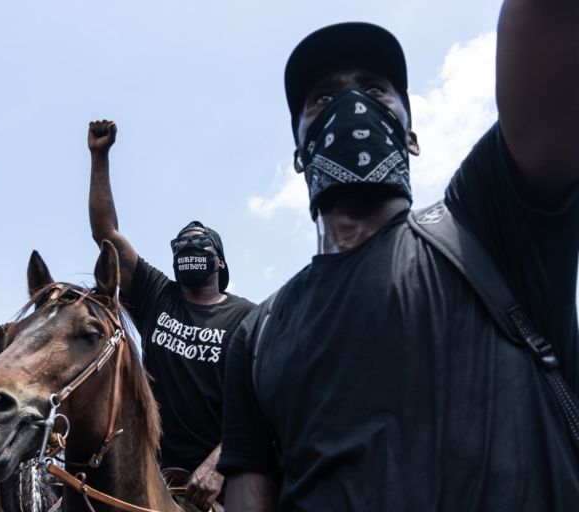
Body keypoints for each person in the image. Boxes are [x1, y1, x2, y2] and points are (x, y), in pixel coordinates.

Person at [218, 5, 579, 511]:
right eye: (323, 97)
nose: (351, 103)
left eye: (373, 90)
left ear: (410, 135)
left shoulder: (489, 223)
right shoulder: (256, 338)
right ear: (299, 153)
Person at [87, 119, 256, 511]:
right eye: (182, 243)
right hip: (149, 478)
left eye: (201, 242)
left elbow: (263, 406)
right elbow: (106, 233)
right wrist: (99, 156)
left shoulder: (248, 318)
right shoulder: (158, 294)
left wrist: (219, 463)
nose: (190, 245)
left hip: (219, 487)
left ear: (221, 261)